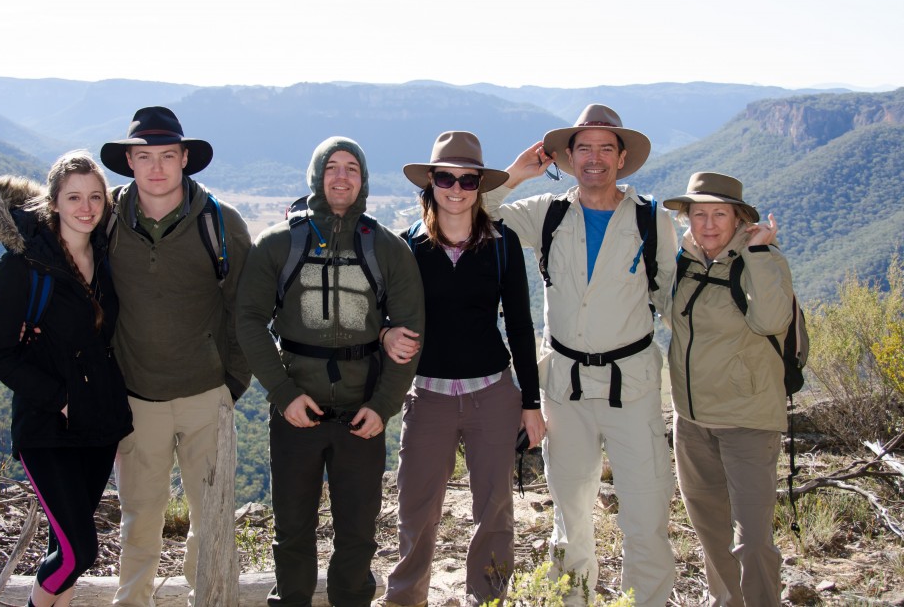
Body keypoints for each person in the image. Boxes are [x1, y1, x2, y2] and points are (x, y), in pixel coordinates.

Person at [484, 104, 677, 605]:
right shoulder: (547, 213)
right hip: (564, 389)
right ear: (568, 156)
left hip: (631, 387)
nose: (595, 158)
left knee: (646, 516)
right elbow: (472, 210)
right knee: (570, 520)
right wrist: (517, 172)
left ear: (622, 157)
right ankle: (575, 600)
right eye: (584, 147)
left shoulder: (651, 219)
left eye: (605, 148)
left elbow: (676, 302)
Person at [236, 136, 425, 607]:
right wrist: (282, 393)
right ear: (317, 175)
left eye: (352, 169)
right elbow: (248, 320)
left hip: (363, 414)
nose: (342, 177)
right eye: (332, 168)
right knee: (292, 531)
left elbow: (410, 334)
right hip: (296, 408)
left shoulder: (387, 247)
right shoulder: (279, 243)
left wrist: (384, 407)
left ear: (363, 180)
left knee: (358, 534)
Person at [373, 131, 546, 607]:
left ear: (478, 185)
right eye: (445, 177)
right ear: (430, 182)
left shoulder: (503, 244)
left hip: (493, 394)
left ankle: (486, 599)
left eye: (467, 179)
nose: (456, 188)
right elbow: (382, 311)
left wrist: (530, 402)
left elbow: (521, 324)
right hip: (426, 396)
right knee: (416, 511)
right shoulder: (408, 246)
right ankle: (405, 599)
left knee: (494, 514)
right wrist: (387, 333)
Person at [99, 106, 252, 607]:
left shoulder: (220, 223)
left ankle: (208, 598)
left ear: (185, 158)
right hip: (135, 396)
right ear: (129, 161)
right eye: (145, 156)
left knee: (212, 517)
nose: (157, 167)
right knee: (139, 517)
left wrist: (232, 382)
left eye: (168, 155)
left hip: (207, 395)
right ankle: (133, 602)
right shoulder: (106, 220)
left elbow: (243, 308)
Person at [0, 151, 134, 607]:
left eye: (94, 197)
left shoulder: (105, 256)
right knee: (80, 551)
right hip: (47, 428)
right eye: (74, 198)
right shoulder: (26, 266)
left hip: (99, 427)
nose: (85, 208)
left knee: (63, 547)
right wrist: (61, 399)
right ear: (54, 202)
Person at [663, 172, 792, 606]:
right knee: (711, 533)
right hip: (691, 422)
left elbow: (773, 321)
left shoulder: (760, 258)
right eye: (699, 214)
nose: (709, 223)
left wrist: (759, 251)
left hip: (748, 421)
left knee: (752, 539)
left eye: (720, 213)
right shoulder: (682, 263)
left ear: (739, 219)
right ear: (687, 219)